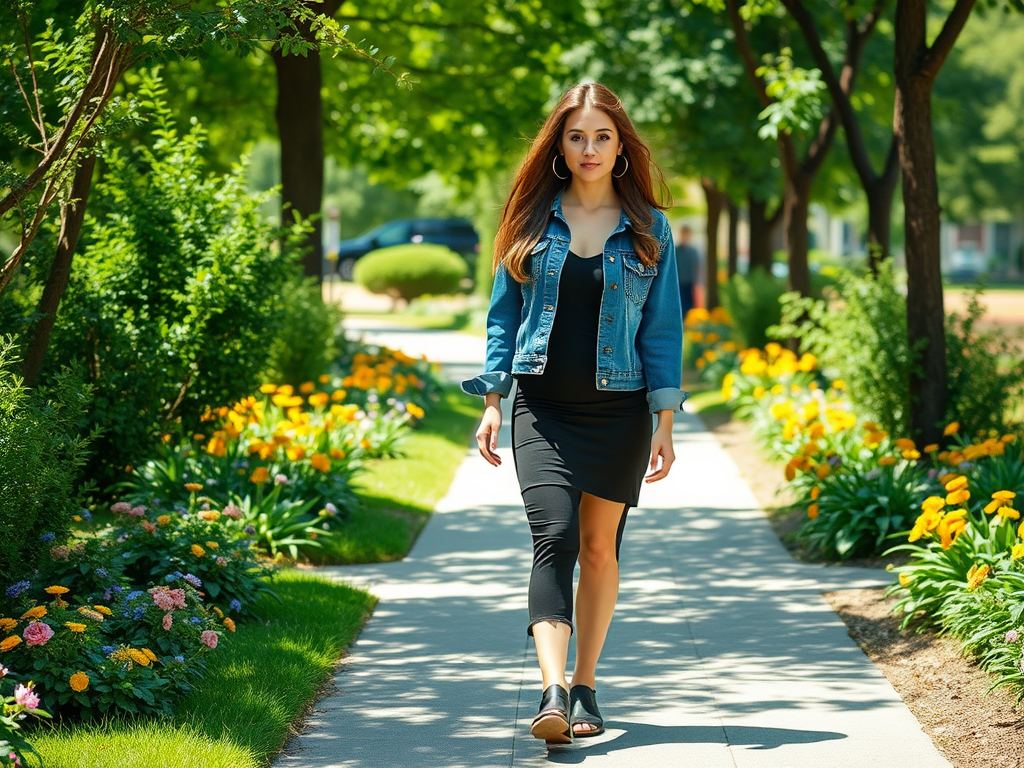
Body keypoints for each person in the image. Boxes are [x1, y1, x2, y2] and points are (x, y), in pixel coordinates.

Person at [461, 83, 687, 746]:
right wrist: (493, 400)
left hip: (619, 412)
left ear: (622, 146)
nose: (589, 148)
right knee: (553, 536)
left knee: (598, 548)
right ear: (559, 144)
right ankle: (552, 690)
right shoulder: (530, 218)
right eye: (576, 136)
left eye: (602, 137)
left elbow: (663, 330)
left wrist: (665, 422)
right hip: (542, 405)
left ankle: (586, 683)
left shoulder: (650, 228)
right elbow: (503, 317)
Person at [675, 225, 700, 321]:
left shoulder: (693, 251)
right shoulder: (676, 251)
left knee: (690, 305)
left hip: (690, 283)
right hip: (679, 283)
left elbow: (696, 267)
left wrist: (696, 282)